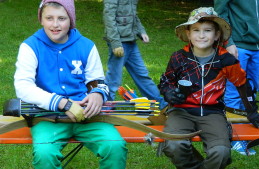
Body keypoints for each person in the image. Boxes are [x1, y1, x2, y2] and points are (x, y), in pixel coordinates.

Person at [14, 0, 127, 168]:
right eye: (49, 18)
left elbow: (98, 82)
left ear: (71, 19)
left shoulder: (86, 45)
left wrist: (97, 94)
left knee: (115, 146)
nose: (55, 24)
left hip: (86, 115)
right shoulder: (30, 46)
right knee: (45, 154)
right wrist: (62, 103)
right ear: (41, 19)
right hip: (47, 117)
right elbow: (23, 87)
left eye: (62, 18)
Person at [158, 7, 259, 169]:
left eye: (208, 30)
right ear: (188, 33)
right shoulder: (179, 57)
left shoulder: (225, 59)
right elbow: (166, 81)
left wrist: (252, 112)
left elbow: (243, 85)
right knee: (174, 146)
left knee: (221, 152)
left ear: (217, 35)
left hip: (212, 113)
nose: (201, 35)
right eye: (196, 30)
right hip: (181, 112)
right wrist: (169, 92)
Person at [214, 0, 259, 155]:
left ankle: (249, 134)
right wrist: (228, 42)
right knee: (235, 92)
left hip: (258, 46)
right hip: (238, 46)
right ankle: (234, 137)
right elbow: (220, 14)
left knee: (251, 92)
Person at [102, 0, 168, 111]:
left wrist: (141, 31)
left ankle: (161, 105)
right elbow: (109, 18)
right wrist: (115, 43)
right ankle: (106, 108)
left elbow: (133, 16)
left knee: (142, 75)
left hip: (131, 42)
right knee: (113, 80)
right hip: (120, 43)